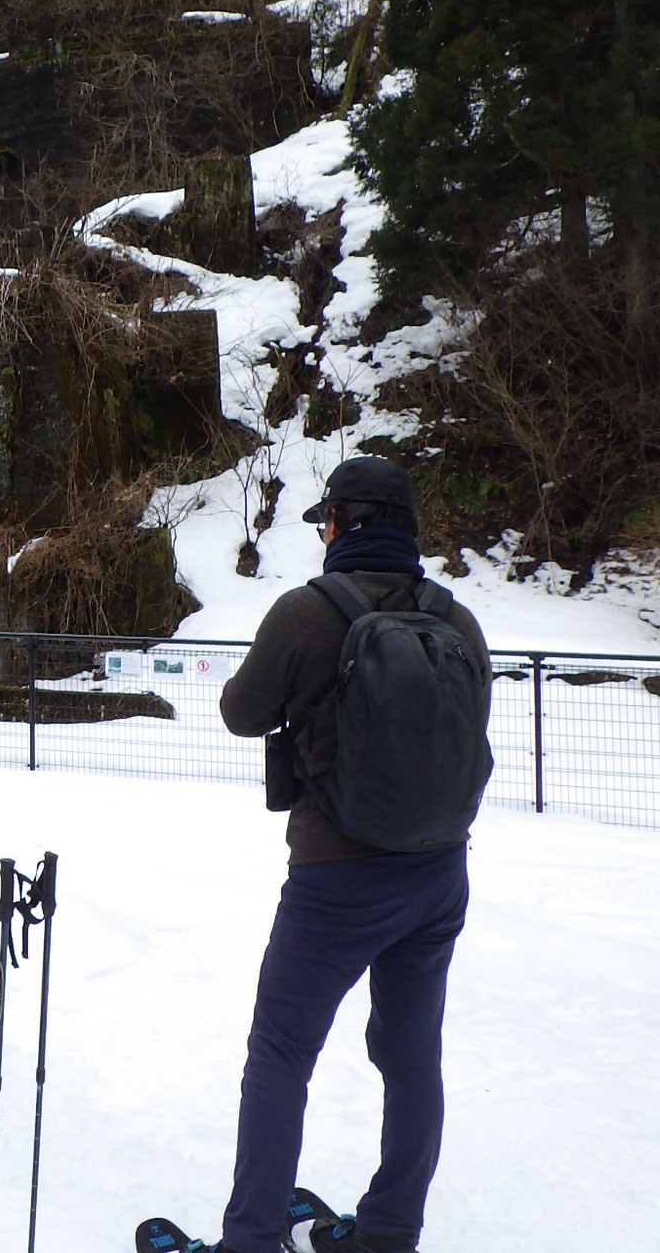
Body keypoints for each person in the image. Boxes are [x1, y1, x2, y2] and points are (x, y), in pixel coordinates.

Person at [212, 457, 491, 1253]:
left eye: (326, 519)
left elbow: (241, 712)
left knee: (280, 1054)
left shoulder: (305, 612)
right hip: (439, 872)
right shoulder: (457, 618)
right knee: (411, 1058)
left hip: (337, 873)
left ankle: (253, 1238)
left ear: (343, 524)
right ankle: (392, 1231)